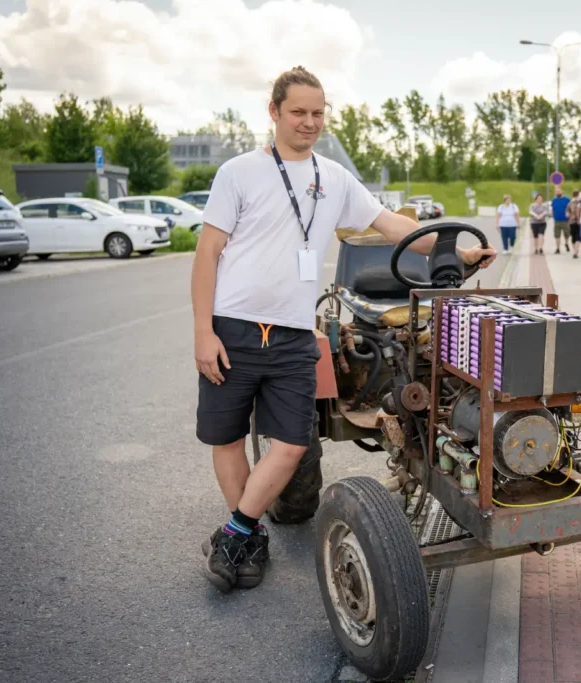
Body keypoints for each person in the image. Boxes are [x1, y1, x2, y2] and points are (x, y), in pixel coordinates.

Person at [192, 66, 496, 593]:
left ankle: (235, 532)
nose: (309, 122)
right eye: (298, 112)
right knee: (228, 439)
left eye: (318, 112)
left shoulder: (332, 177)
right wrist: (203, 331)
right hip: (234, 327)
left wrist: (456, 250)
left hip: (292, 333)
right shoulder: (239, 173)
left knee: (291, 444)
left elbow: (394, 226)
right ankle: (248, 536)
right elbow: (207, 253)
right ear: (274, 112)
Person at [550, 186, 571, 254]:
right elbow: (553, 209)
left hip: (565, 220)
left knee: (566, 234)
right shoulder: (554, 200)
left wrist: (569, 214)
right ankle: (558, 248)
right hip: (557, 220)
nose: (557, 192)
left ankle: (566, 243)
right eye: (556, 191)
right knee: (557, 235)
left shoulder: (567, 199)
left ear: (561, 191)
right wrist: (553, 215)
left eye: (558, 191)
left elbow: (571, 208)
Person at [567, 190, 581, 254]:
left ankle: (575, 251)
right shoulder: (580, 202)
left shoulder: (569, 203)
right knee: (578, 236)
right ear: (578, 195)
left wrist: (571, 216)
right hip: (580, 222)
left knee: (573, 237)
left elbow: (567, 214)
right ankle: (576, 250)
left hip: (571, 222)